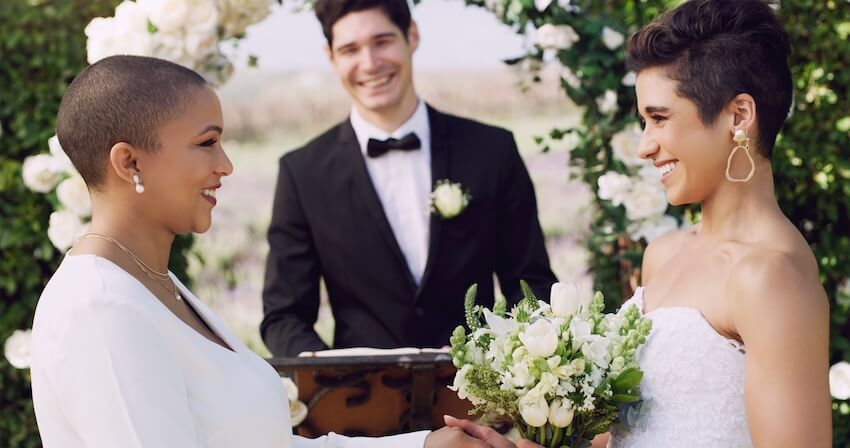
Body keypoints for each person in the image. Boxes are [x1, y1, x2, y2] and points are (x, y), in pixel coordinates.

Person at [29, 55, 511, 448]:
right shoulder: (100, 307)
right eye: (207, 143)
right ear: (128, 161)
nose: (226, 165)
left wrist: (425, 446)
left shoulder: (155, 285)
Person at [449, 0, 833, 447]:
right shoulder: (663, 255)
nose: (644, 147)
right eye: (643, 121)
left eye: (660, 118)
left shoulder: (770, 278)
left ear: (738, 116)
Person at [260, 0, 557, 357]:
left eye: (382, 41)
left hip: (480, 403)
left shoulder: (491, 151)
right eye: (350, 49)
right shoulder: (301, 173)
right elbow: (284, 317)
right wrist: (338, 378)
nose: (370, 63)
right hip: (359, 404)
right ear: (331, 57)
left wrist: (499, 365)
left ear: (411, 36)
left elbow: (532, 285)